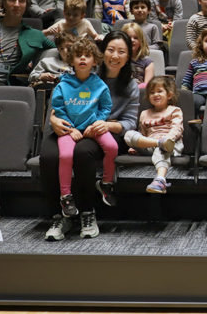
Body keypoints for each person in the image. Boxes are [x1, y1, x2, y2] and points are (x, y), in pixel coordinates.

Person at [41, 31, 140, 241]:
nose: (115, 56)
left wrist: (106, 124)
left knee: (83, 152)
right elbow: (59, 104)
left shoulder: (130, 85)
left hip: (104, 132)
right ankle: (59, 216)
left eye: (121, 52)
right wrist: (54, 120)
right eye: (110, 50)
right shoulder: (84, 72)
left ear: (128, 56)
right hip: (70, 126)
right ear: (101, 54)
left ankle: (87, 212)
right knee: (48, 156)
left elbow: (131, 122)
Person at [50, 38, 115, 219]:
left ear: (95, 61)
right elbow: (59, 109)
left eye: (87, 56)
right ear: (71, 61)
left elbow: (105, 108)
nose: (83, 59)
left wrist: (96, 123)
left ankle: (106, 183)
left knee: (112, 147)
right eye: (78, 56)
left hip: (93, 127)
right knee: (65, 155)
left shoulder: (100, 85)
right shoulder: (63, 85)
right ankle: (66, 196)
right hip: (70, 130)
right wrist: (71, 129)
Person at [124, 75, 184, 194]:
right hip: (150, 143)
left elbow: (177, 128)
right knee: (128, 134)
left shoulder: (174, 110)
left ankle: (160, 180)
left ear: (169, 95)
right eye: (152, 92)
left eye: (159, 91)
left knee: (161, 148)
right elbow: (142, 133)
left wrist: (167, 139)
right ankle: (159, 143)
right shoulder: (144, 113)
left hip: (171, 144)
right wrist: (135, 146)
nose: (155, 94)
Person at [121, 22, 154, 89]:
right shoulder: (119, 59)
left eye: (136, 38)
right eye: (128, 37)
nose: (132, 40)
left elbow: (147, 87)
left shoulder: (148, 63)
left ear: (141, 41)